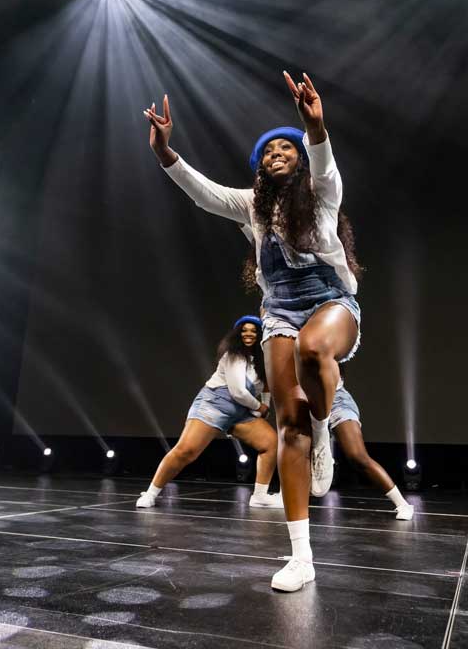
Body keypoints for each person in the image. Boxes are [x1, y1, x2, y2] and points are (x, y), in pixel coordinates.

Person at [144, 72, 362, 591]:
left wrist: (316, 126)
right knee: (289, 428)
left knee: (313, 352)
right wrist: (164, 152)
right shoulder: (252, 207)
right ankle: (301, 557)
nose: (278, 153)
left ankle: (324, 428)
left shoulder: (321, 192)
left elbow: (326, 165)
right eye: (269, 151)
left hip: (331, 303)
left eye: (287, 147)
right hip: (278, 313)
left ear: (300, 159)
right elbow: (203, 194)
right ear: (261, 168)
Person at [136, 316, 283, 510]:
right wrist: (259, 407)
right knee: (186, 451)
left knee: (270, 443)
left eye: (254, 331)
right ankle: (151, 493)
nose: (248, 334)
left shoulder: (261, 360)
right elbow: (238, 391)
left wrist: (263, 410)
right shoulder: (233, 354)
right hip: (215, 403)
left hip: (241, 411)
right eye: (244, 330)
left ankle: (260, 496)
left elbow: (265, 388)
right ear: (238, 334)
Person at [328, 368, 414, 520]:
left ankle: (403, 504)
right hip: (308, 403)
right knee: (296, 451)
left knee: (357, 456)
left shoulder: (326, 347)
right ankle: (284, 496)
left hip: (336, 401)